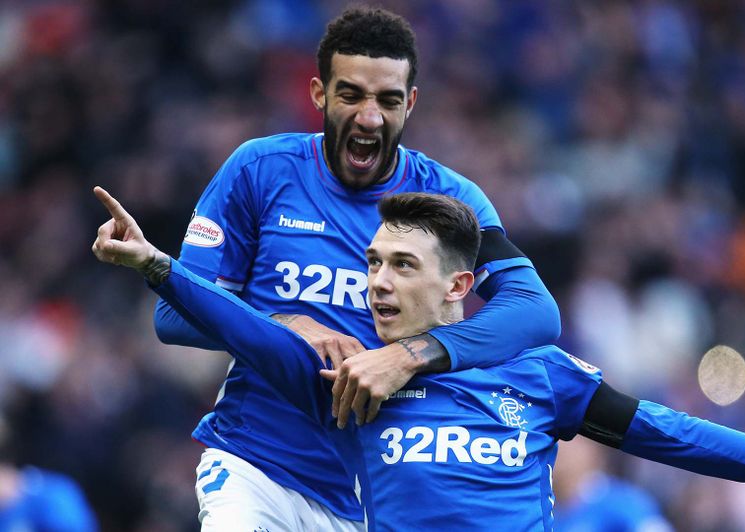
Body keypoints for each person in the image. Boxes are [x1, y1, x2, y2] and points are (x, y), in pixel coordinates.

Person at [92, 187, 745, 531]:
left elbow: (668, 432)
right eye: (371, 264)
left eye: (399, 266)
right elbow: (243, 329)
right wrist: (155, 266)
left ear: (457, 285)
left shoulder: (536, 373)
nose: (375, 280)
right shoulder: (348, 380)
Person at [151, 7, 559, 529]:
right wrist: (285, 323)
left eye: (388, 100)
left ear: (410, 104)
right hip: (255, 465)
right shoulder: (259, 171)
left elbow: (534, 311)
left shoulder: (453, 199)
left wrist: (410, 356)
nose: (369, 117)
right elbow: (173, 314)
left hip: (372, 494)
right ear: (319, 93)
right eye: (351, 95)